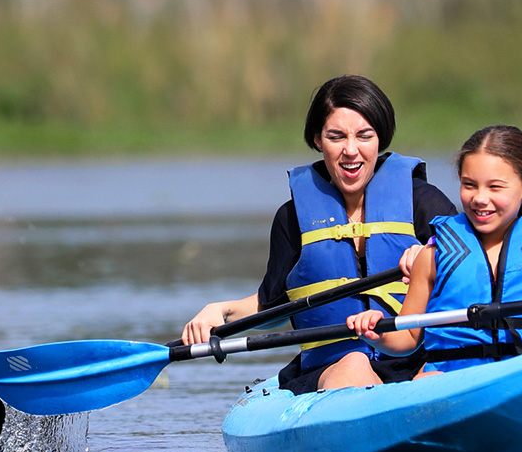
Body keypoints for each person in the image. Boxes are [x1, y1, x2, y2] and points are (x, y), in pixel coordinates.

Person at [181, 75, 455, 392]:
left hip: (416, 359)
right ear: (317, 140)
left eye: (364, 136)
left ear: (380, 138)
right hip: (334, 367)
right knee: (354, 363)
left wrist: (430, 253)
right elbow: (274, 306)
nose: (351, 150)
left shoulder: (423, 201)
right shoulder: (292, 218)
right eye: (336, 137)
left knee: (434, 375)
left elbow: (470, 266)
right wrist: (221, 311)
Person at [348, 124, 522, 375]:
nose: (480, 198)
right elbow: (407, 339)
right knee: (426, 377)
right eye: (469, 185)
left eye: (495, 187)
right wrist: (378, 332)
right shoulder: (432, 256)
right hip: (450, 380)